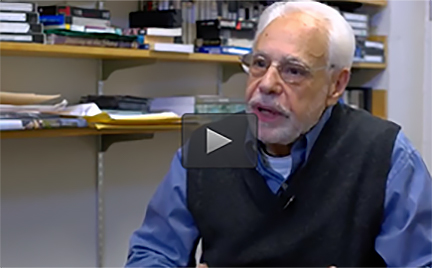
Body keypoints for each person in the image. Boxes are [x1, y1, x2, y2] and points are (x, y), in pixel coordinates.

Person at [125, 1, 432, 267]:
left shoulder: (385, 156)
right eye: (259, 63)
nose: (267, 84)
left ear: (336, 85)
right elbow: (154, 253)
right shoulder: (212, 145)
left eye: (293, 70)